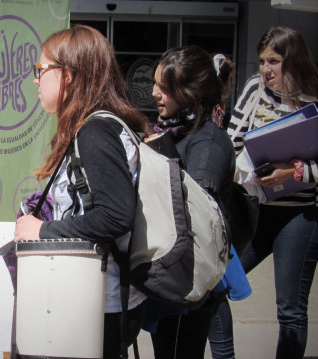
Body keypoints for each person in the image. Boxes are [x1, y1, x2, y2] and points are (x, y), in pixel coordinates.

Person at [13, 24, 149, 358]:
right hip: (96, 297)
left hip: (98, 303)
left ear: (69, 75)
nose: (35, 79)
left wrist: (42, 229)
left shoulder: (96, 132)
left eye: (41, 70)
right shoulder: (99, 126)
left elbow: (116, 216)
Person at [222, 26, 318, 359]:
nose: (266, 70)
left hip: (300, 215)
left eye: (274, 61)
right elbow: (231, 141)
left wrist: (293, 171)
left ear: (294, 61)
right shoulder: (254, 89)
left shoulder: (315, 100)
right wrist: (248, 168)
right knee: (216, 284)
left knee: (290, 310)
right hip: (254, 209)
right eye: (263, 61)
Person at [145, 45, 237, 359]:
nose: (155, 93)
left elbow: (197, 211)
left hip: (188, 280)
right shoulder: (177, 131)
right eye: (156, 83)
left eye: (165, 87)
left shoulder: (208, 142)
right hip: (173, 273)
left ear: (191, 92)